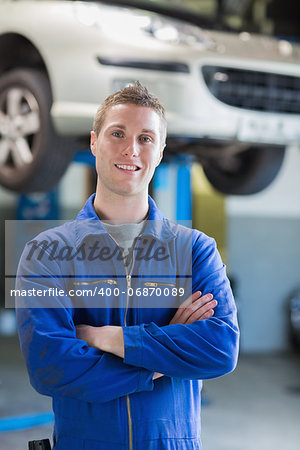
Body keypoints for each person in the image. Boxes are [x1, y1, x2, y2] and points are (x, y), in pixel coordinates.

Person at [16, 82, 239, 450]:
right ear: (93, 142)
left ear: (161, 151)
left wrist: (108, 338)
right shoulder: (46, 253)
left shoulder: (196, 250)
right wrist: (161, 360)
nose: (130, 149)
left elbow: (220, 349)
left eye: (146, 138)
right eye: (117, 133)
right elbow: (50, 368)